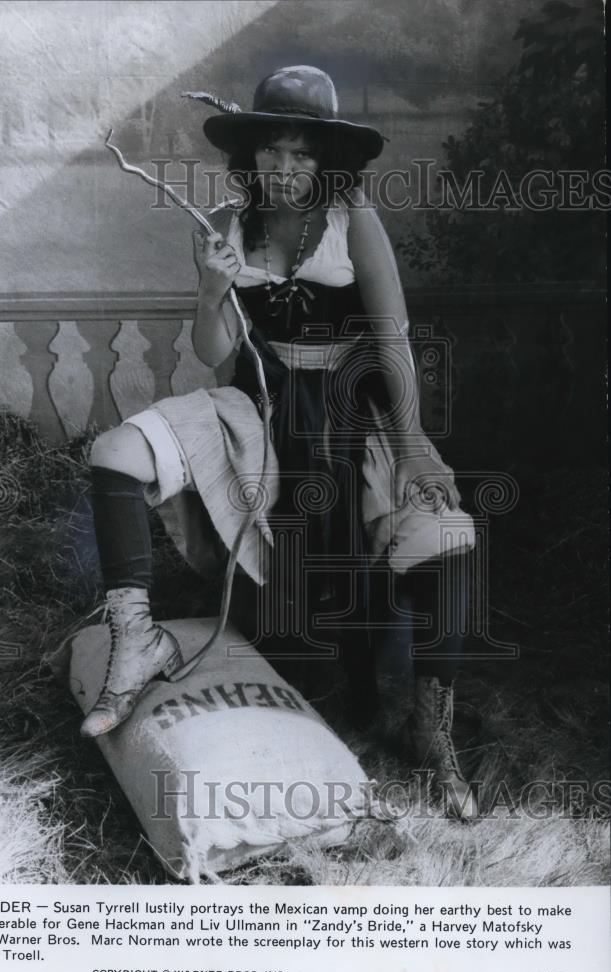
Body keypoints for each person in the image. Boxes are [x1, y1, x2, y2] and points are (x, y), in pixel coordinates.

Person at [84, 66, 478, 820]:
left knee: (447, 537)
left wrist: (415, 443)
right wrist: (208, 289)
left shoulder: (352, 219)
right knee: (116, 454)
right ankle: (137, 640)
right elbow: (211, 349)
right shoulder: (230, 225)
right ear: (252, 156)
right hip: (257, 410)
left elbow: (391, 339)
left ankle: (432, 729)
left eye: (302, 154)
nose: (286, 168)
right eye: (273, 151)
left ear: (325, 160)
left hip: (351, 412)